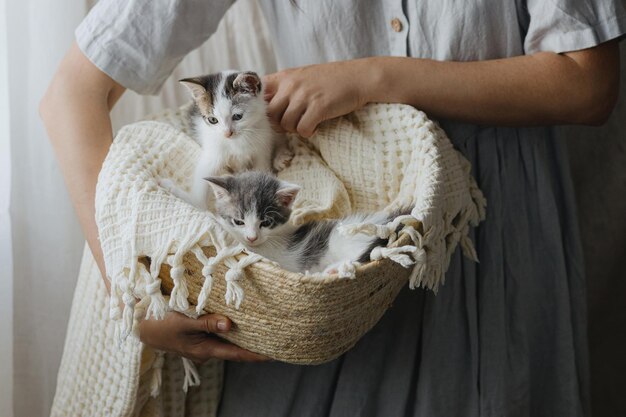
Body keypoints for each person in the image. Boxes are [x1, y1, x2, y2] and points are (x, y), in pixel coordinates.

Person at [41, 0, 625, 416]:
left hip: (489, 244)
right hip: (321, 277)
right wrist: (133, 290)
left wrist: (371, 76)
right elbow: (72, 93)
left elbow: (585, 82)